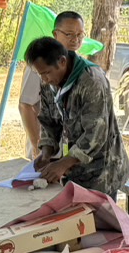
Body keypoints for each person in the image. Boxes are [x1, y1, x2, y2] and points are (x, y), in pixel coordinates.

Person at [25, 35, 129, 197]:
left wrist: (64, 163)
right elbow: (48, 120)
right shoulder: (48, 82)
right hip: (74, 171)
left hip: (102, 171)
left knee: (98, 220)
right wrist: (46, 152)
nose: (45, 80)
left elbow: (96, 133)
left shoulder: (91, 80)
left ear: (62, 61)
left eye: (46, 73)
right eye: (41, 75)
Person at [20, 11, 86, 158]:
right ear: (56, 34)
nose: (75, 39)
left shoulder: (83, 69)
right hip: (46, 147)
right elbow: (26, 105)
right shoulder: (39, 62)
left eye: (80, 34)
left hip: (72, 151)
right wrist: (37, 146)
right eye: (69, 34)